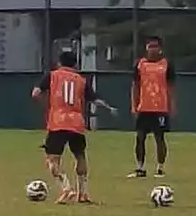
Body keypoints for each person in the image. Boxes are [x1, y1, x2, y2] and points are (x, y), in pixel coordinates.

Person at [34, 51, 116, 204]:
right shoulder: (81, 80)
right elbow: (95, 100)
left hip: (58, 121)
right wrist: (109, 108)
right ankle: (83, 193)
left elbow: (35, 93)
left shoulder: (52, 75)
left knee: (52, 159)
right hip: (76, 123)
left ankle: (66, 188)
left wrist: (47, 106)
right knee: (80, 156)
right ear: (75, 65)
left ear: (59, 63)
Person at [129, 36, 175, 178]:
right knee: (140, 137)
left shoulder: (167, 64)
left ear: (160, 48)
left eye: (155, 46)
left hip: (160, 108)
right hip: (144, 107)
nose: (153, 49)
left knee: (159, 138)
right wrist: (133, 105)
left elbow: (171, 87)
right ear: (146, 48)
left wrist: (171, 105)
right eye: (150, 46)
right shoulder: (140, 64)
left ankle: (160, 168)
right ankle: (140, 168)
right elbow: (135, 86)